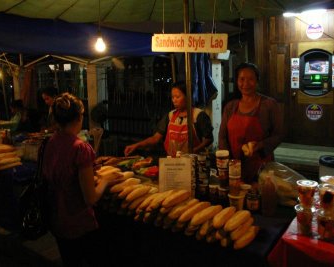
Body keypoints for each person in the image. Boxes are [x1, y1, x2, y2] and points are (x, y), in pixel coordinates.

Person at [42, 92, 118, 267]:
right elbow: (90, 198)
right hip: (78, 223)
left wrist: (89, 170)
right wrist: (106, 180)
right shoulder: (81, 148)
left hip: (56, 221)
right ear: (79, 117)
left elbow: (64, 173)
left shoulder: (51, 141)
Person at [218, 62, 285, 184]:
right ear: (237, 81)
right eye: (241, 79)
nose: (245, 84)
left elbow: (279, 135)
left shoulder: (269, 105)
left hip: (261, 168)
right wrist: (227, 162)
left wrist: (259, 145)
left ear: (257, 81)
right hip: (234, 167)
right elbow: (222, 137)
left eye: (250, 79)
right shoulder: (230, 106)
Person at [124, 81, 214, 157]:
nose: (174, 100)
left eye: (177, 97)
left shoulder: (198, 115)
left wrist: (194, 150)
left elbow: (209, 139)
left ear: (188, 96)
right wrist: (136, 145)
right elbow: (155, 138)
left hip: (193, 162)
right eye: (172, 97)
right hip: (172, 164)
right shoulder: (170, 116)